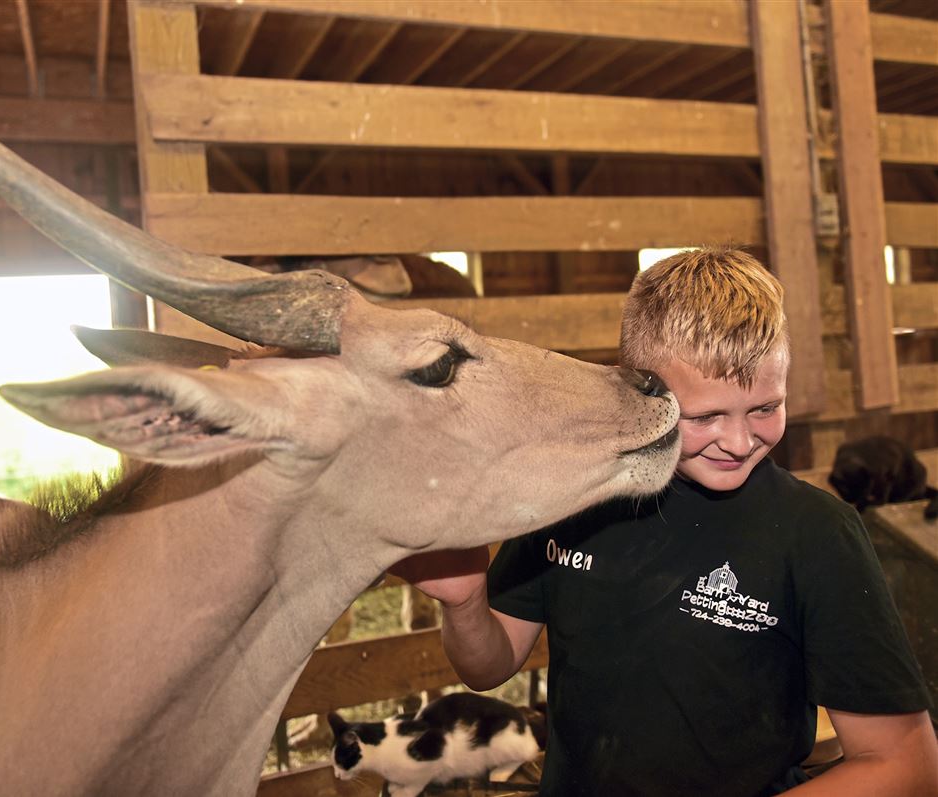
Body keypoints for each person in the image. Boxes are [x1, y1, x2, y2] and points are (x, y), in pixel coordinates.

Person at [392, 248, 938, 796]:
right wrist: (464, 604)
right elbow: (487, 667)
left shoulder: (817, 534)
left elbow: (905, 764)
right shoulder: (574, 499)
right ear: (638, 389)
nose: (741, 441)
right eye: (705, 416)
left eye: (766, 408)